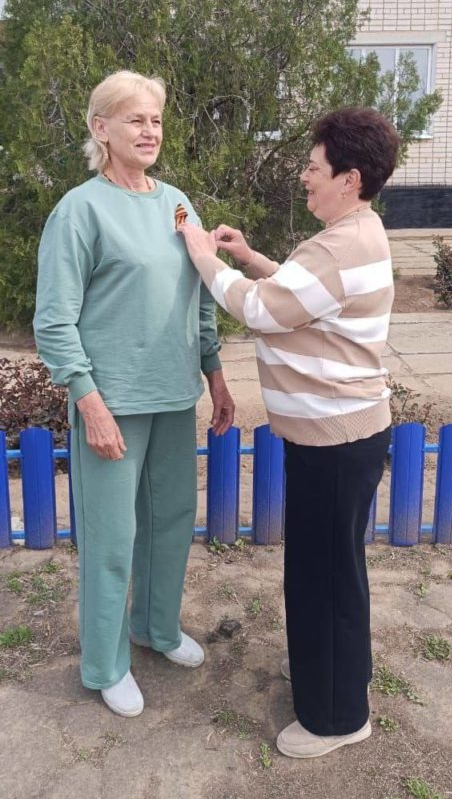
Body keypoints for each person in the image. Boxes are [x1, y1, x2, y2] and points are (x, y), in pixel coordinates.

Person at [178, 106, 400, 759]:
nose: (304, 177)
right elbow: (308, 295)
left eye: (313, 167)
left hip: (335, 444)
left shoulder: (340, 245)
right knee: (334, 570)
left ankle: (336, 718)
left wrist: (206, 260)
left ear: (349, 179)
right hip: (343, 438)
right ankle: (338, 676)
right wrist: (251, 257)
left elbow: (260, 309)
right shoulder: (357, 233)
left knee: (323, 578)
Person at [34, 70, 235, 717]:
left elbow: (200, 293)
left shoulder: (178, 204)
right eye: (135, 120)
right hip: (112, 402)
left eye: (156, 120)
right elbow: (54, 320)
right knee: (111, 539)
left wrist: (214, 372)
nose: (149, 131)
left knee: (171, 524)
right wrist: (87, 400)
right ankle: (105, 664)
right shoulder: (80, 210)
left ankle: (156, 628)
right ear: (101, 129)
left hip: (174, 395)